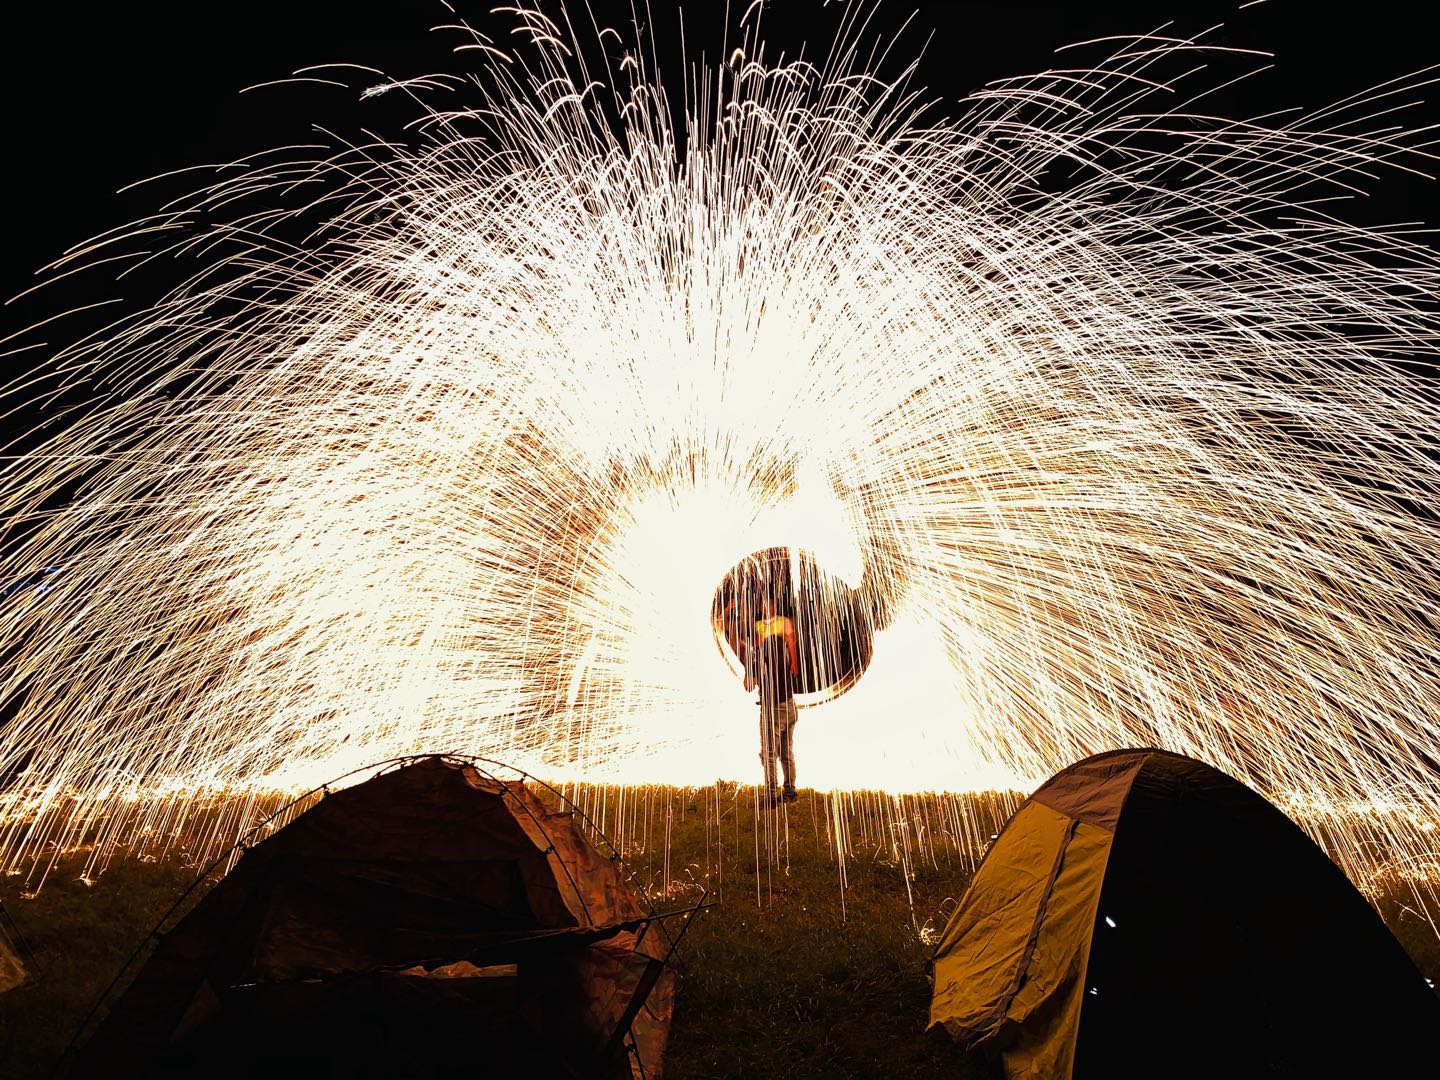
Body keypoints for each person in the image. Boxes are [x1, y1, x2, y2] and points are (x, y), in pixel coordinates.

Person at [739, 587, 801, 807]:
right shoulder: (778, 647)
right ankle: (790, 792)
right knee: (786, 752)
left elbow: (748, 685)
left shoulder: (759, 653)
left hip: (772, 708)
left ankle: (771, 796)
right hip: (790, 706)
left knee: (768, 754)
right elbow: (789, 647)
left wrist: (749, 666)